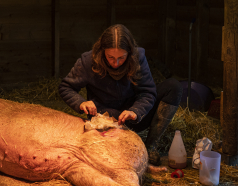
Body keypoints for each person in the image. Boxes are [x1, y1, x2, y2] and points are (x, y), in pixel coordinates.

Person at [59, 24, 182, 165]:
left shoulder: (138, 58)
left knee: (173, 86)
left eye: (121, 58)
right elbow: (66, 87)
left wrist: (135, 111)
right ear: (102, 50)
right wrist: (81, 102)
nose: (116, 63)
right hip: (105, 121)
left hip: (131, 117)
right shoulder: (88, 61)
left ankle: (150, 146)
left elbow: (147, 92)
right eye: (110, 57)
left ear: (129, 53)